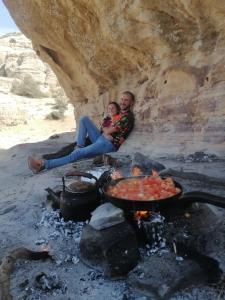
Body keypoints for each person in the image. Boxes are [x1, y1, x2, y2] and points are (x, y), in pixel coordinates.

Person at [28, 91, 135, 173]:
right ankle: (79, 146)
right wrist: (105, 130)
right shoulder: (119, 115)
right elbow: (105, 130)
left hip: (108, 145)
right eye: (122, 99)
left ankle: (42, 164)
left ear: (131, 102)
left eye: (126, 100)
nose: (122, 102)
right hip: (102, 139)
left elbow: (107, 130)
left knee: (78, 154)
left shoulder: (127, 117)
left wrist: (105, 128)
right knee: (84, 119)